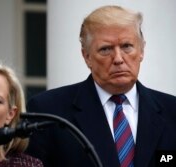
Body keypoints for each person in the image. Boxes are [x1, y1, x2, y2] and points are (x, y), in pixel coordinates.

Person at [25, 5, 176, 167]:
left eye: (126, 46)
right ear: (86, 56)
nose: (118, 58)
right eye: (106, 49)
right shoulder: (48, 110)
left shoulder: (172, 110)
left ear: (141, 51)